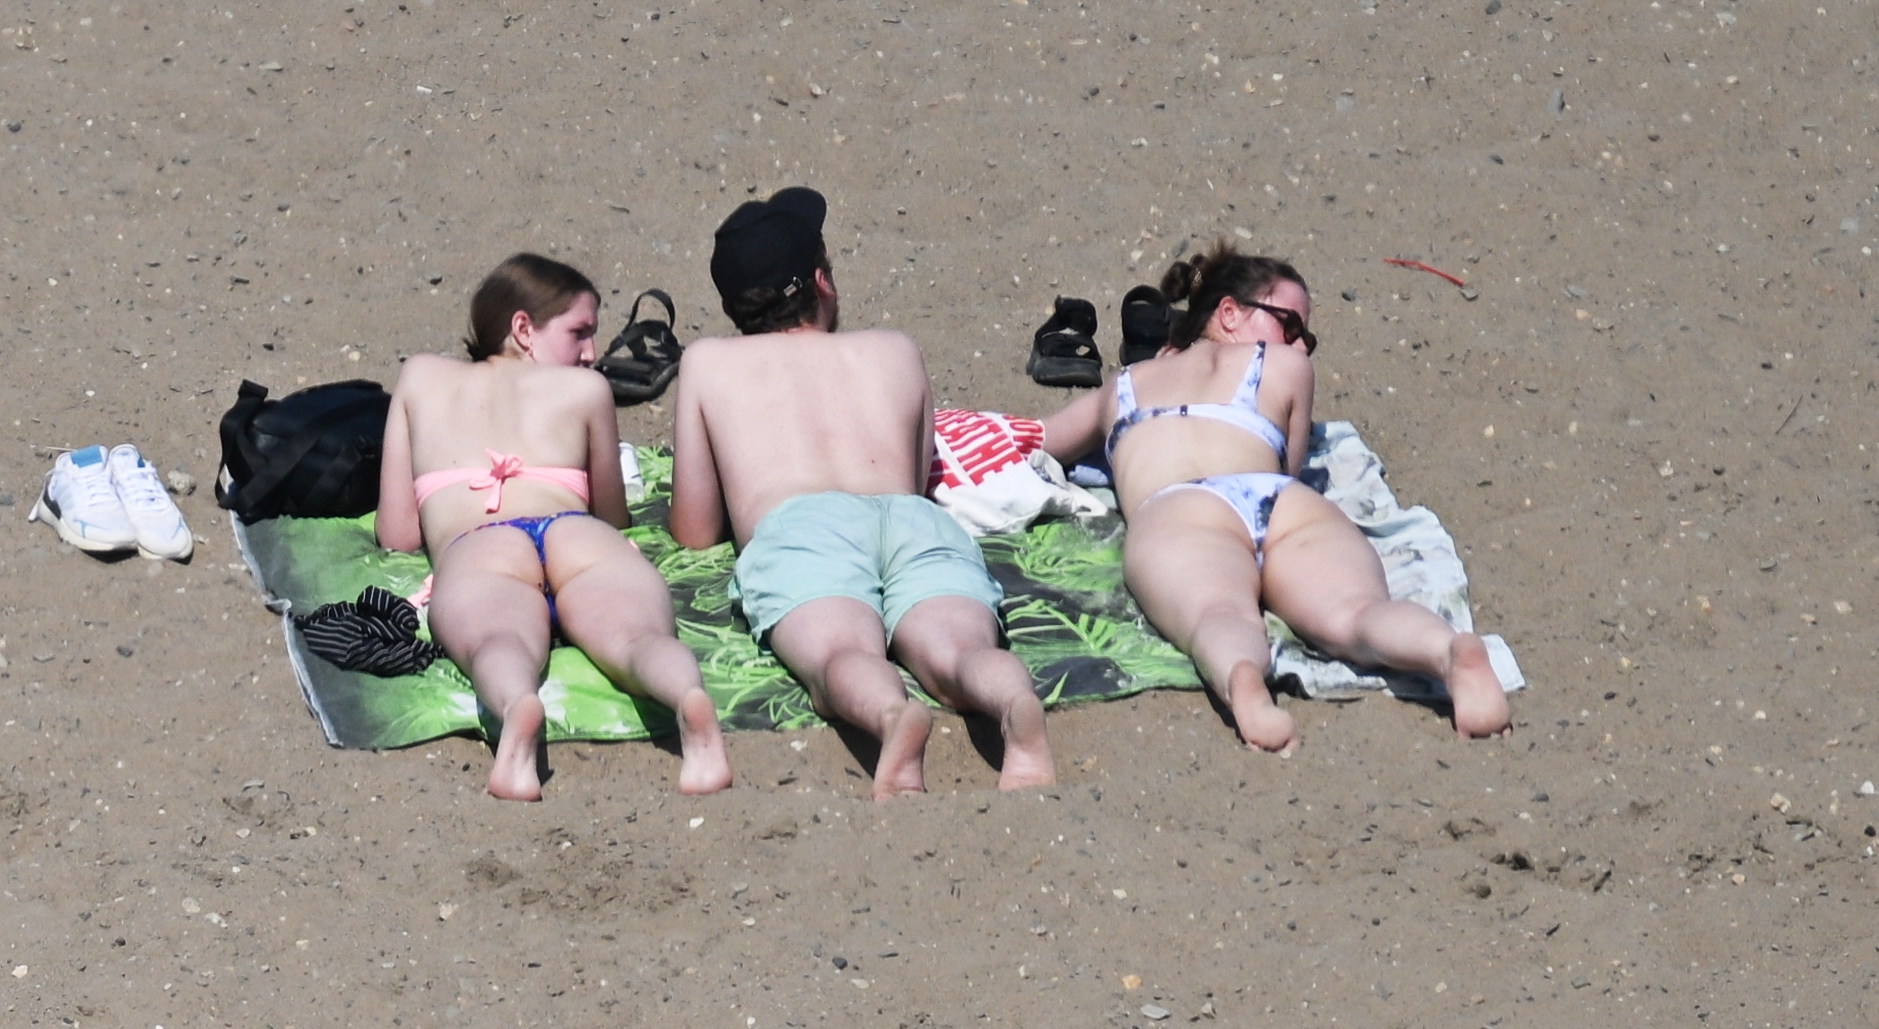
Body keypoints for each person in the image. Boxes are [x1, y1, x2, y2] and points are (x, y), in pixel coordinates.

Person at [1029, 242, 1508, 752]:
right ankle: (1449, 650)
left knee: (1220, 614)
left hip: (1180, 508)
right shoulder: (1282, 368)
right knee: (1357, 611)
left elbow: (1034, 442)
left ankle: (1244, 683)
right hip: (1280, 500)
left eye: (1306, 338)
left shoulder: (1125, 385)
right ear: (1229, 312)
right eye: (1290, 326)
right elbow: (1289, 465)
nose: (1299, 347)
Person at [664, 187, 1057, 798]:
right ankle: (1010, 701)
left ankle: (891, 716)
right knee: (959, 651)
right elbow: (917, 466)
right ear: (822, 282)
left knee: (840, 656)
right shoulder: (895, 349)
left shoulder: (710, 363)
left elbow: (693, 530)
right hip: (908, 518)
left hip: (800, 527)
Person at [373, 254, 730, 805]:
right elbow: (611, 516)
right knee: (639, 638)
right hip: (574, 533)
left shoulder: (421, 377)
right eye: (580, 333)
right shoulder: (585, 393)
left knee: (500, 640)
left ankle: (518, 709)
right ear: (523, 329)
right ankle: (686, 698)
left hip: (482, 542)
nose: (592, 353)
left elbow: (396, 531)